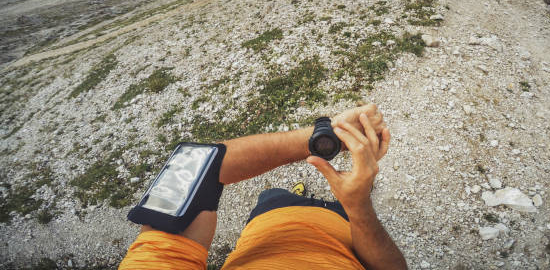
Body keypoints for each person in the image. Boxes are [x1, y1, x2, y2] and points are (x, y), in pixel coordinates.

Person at [119, 104, 407, 269]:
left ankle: (321, 197)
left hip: (270, 217)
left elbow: (193, 165)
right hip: (345, 232)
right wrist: (358, 206)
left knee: (272, 196)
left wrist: (323, 137)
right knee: (330, 200)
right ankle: (345, 200)